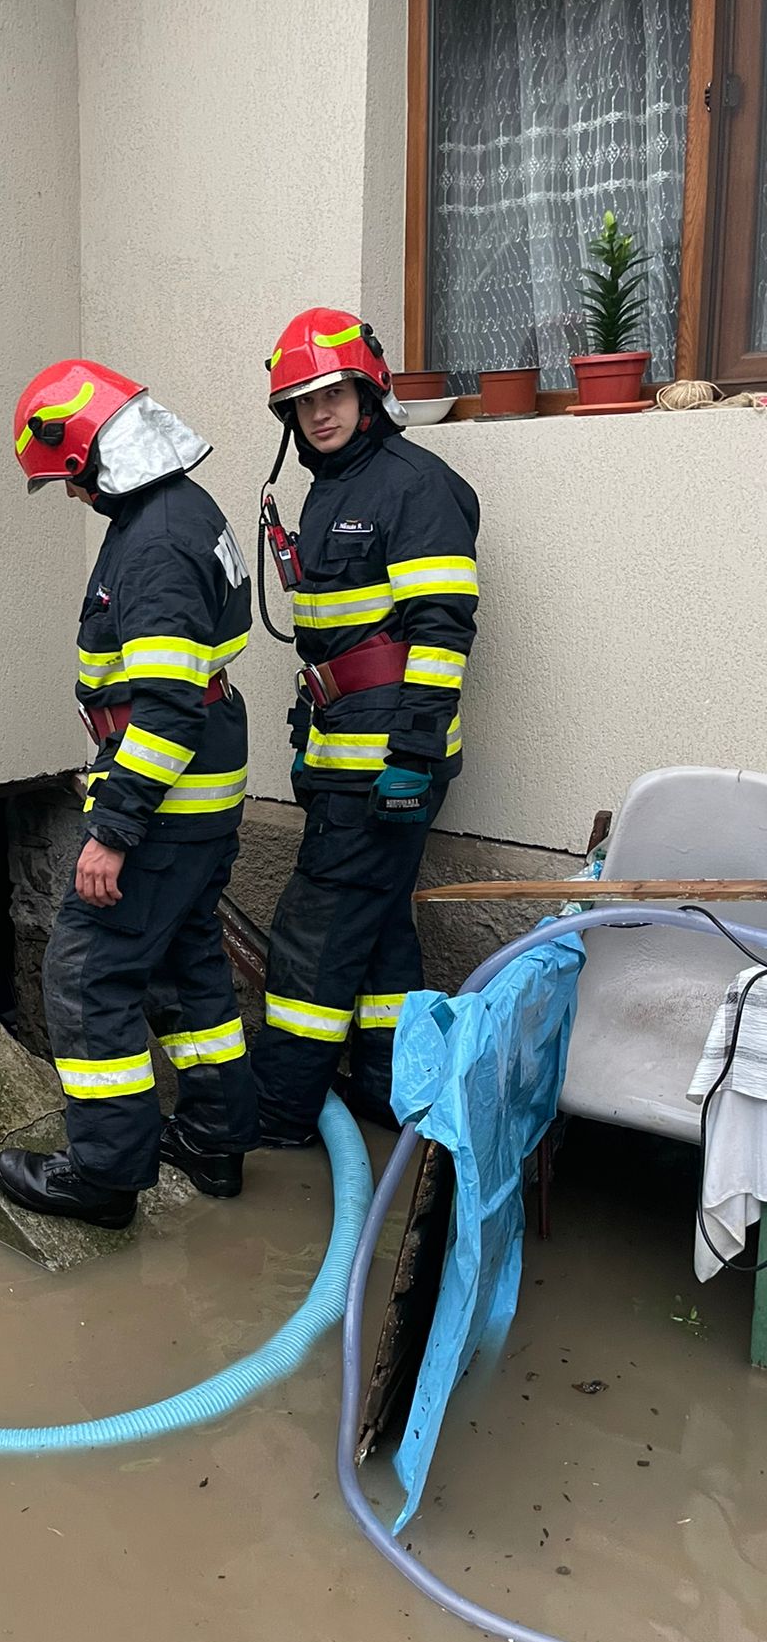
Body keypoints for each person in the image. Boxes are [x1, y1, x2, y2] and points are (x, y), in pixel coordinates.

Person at [0, 361, 261, 1228]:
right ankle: (216, 1141)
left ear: (89, 453)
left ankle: (105, 1177)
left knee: (85, 978)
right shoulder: (183, 509)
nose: (71, 497)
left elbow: (168, 712)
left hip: (163, 812)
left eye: (67, 479)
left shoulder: (151, 544)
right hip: (204, 800)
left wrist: (112, 831)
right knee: (187, 967)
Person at [251, 308, 480, 1143]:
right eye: (303, 401)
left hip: (389, 761)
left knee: (314, 938)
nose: (320, 412)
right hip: (345, 753)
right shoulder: (330, 490)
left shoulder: (414, 486)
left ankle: (278, 1115)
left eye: (334, 392)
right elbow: (338, 638)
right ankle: (389, 1093)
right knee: (379, 931)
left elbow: (441, 629)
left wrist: (414, 753)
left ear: (368, 388)